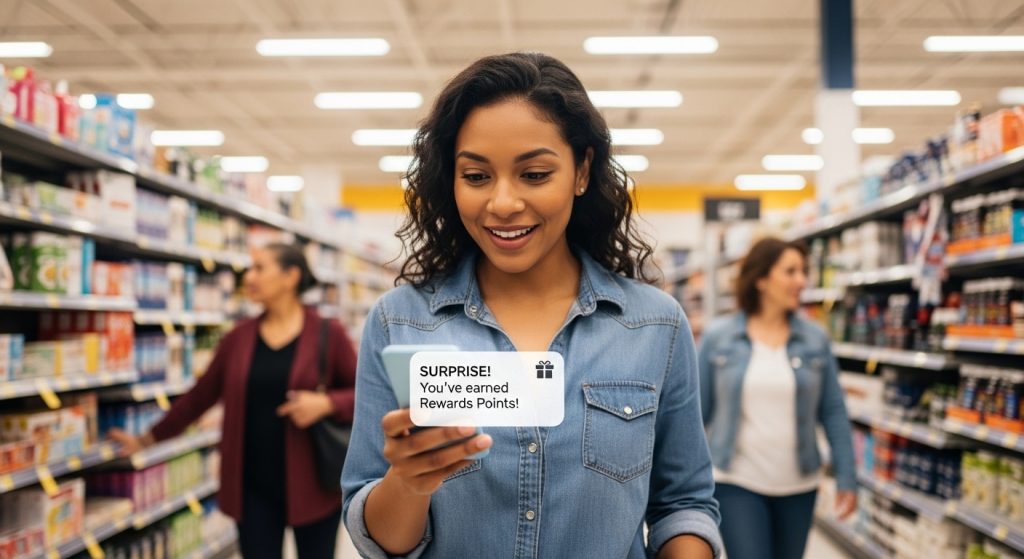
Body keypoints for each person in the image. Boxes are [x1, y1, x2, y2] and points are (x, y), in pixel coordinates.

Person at [341, 52, 721, 559]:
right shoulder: (400, 322)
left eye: (535, 174)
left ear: (582, 170)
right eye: (476, 176)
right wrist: (409, 481)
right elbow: (377, 537)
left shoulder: (654, 325)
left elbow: (683, 503)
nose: (502, 203)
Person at [110, 243, 358, 559]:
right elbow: (199, 397)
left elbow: (362, 393)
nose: (249, 277)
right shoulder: (238, 338)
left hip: (313, 483)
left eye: (259, 268)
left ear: (290, 276)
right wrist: (147, 439)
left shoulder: (328, 333)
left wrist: (326, 404)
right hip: (251, 486)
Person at [698, 237, 857, 559]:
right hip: (735, 479)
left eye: (803, 271)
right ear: (761, 279)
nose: (802, 281)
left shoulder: (814, 338)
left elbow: (833, 411)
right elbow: (695, 413)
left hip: (799, 483)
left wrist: (847, 476)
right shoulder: (720, 337)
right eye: (791, 271)